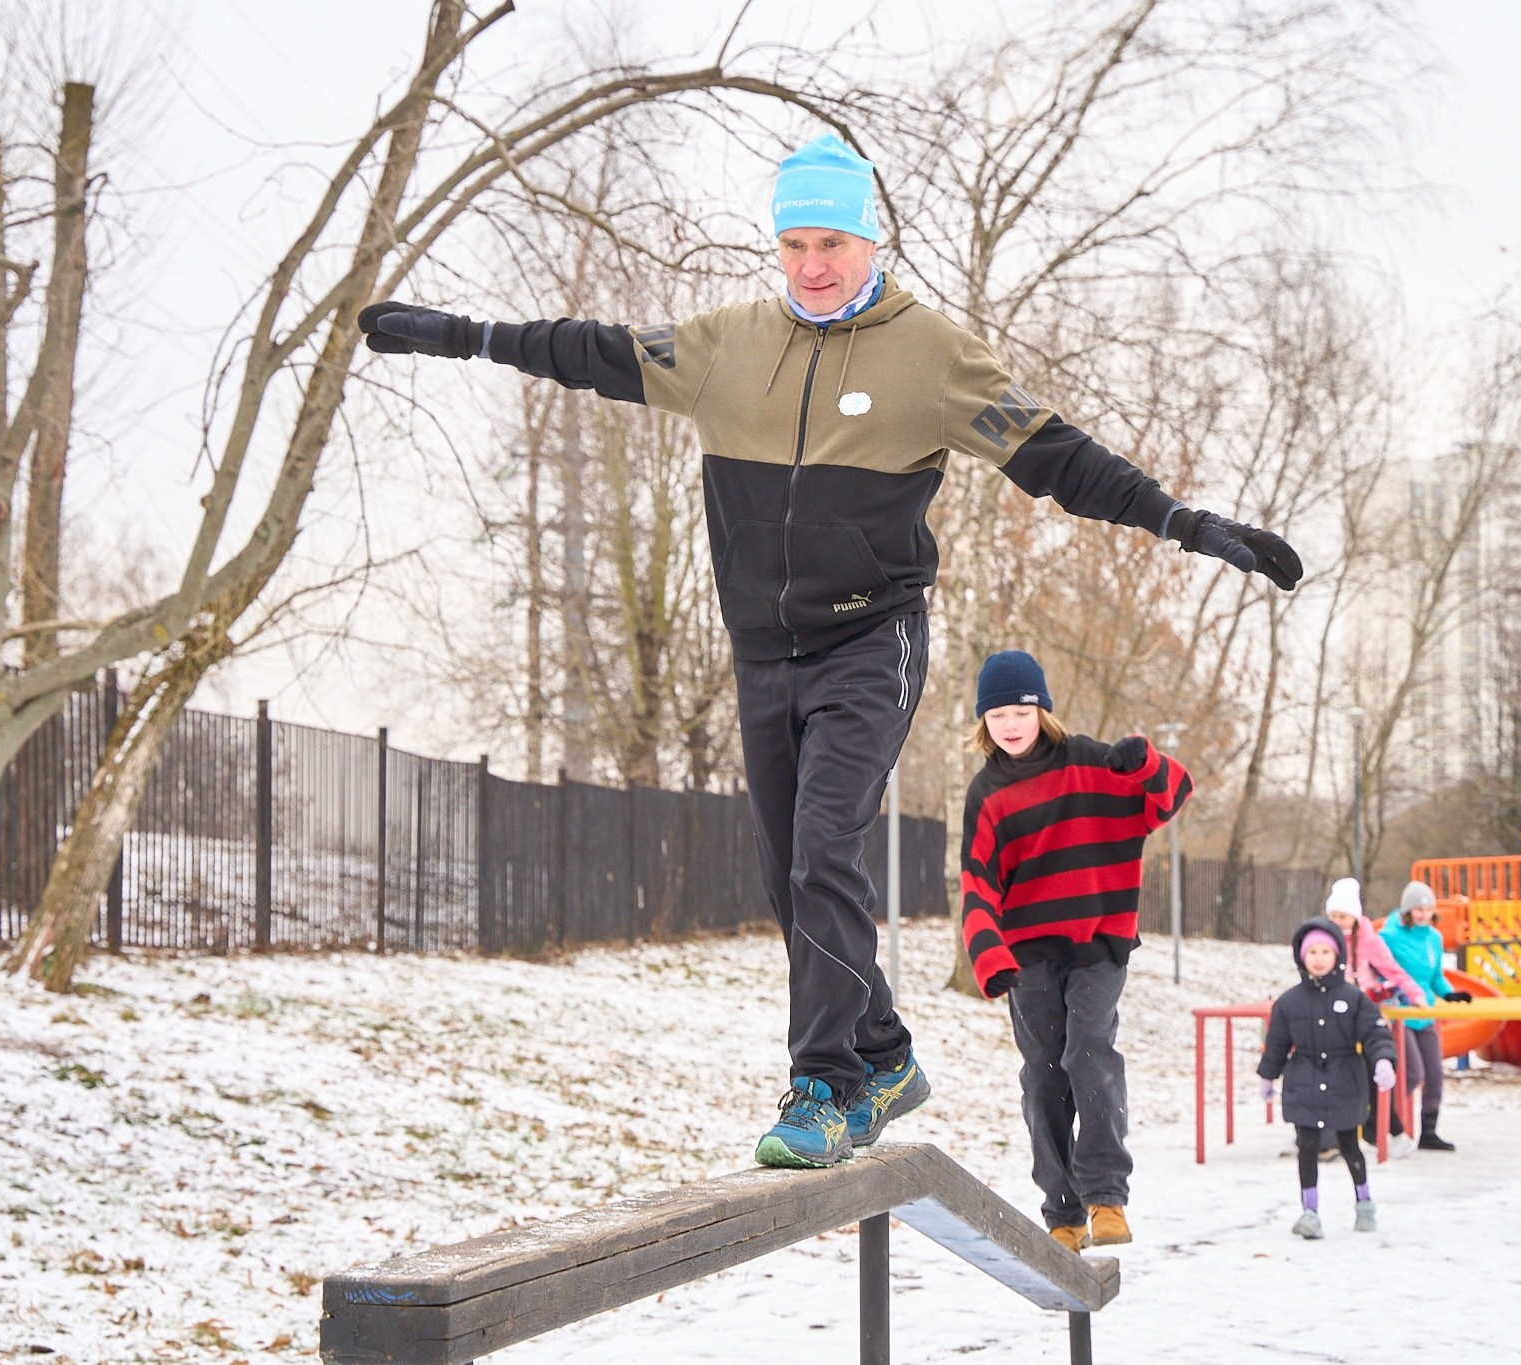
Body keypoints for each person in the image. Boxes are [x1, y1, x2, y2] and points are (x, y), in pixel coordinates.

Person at [358, 135, 1302, 1169]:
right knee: (789, 878)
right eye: (795, 243)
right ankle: (884, 1052)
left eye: (833, 243)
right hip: (762, 652)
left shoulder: (929, 356)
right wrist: (459, 336)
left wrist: (1183, 523)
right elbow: (589, 351)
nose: (813, 265)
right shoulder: (724, 347)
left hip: (869, 640)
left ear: (870, 241)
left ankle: (824, 1083)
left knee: (821, 850)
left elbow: (1056, 457)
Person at [957, 651, 1191, 1253]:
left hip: (1098, 944)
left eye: (1021, 712)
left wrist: (1146, 762)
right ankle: (1062, 1212)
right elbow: (978, 882)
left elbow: (1170, 796)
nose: (1010, 725)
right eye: (998, 715)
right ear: (984, 722)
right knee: (1044, 1075)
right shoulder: (987, 793)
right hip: (1029, 953)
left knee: (1089, 1050)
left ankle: (1106, 1195)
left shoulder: (1089, 763)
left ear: (1043, 712)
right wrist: (989, 956)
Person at [1257, 917, 1398, 1239]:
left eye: (1325, 952)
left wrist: (1383, 1061)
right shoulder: (1289, 1002)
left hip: (1344, 1079)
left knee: (1349, 1144)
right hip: (1303, 1080)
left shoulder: (1354, 998)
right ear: (1301, 956)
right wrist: (1267, 1076)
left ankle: (1364, 1203)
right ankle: (1310, 1212)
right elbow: (1276, 1043)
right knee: (1307, 1145)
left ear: (1337, 956)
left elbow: (1375, 1034)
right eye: (1312, 952)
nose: (1319, 959)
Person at [1321, 877, 1425, 1142]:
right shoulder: (1325, 941)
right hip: (1332, 1017)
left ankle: (1377, 1125)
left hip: (1364, 1015)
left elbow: (1394, 972)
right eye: (1333, 916)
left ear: (1355, 917)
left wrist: (1415, 994)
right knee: (1334, 1074)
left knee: (1380, 1070)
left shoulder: (1369, 941)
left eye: (1343, 916)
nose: (1337, 922)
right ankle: (1326, 1132)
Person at [1379, 879, 1473, 1152]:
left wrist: (1450, 994)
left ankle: (1429, 1132)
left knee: (1434, 1074)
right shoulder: (1389, 937)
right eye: (1418, 909)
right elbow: (1385, 974)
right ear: (1407, 910)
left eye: (1428, 909)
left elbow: (1435, 977)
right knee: (1411, 1073)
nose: (1423, 915)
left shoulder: (1434, 937)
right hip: (1401, 1014)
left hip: (1426, 1013)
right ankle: (1386, 1122)